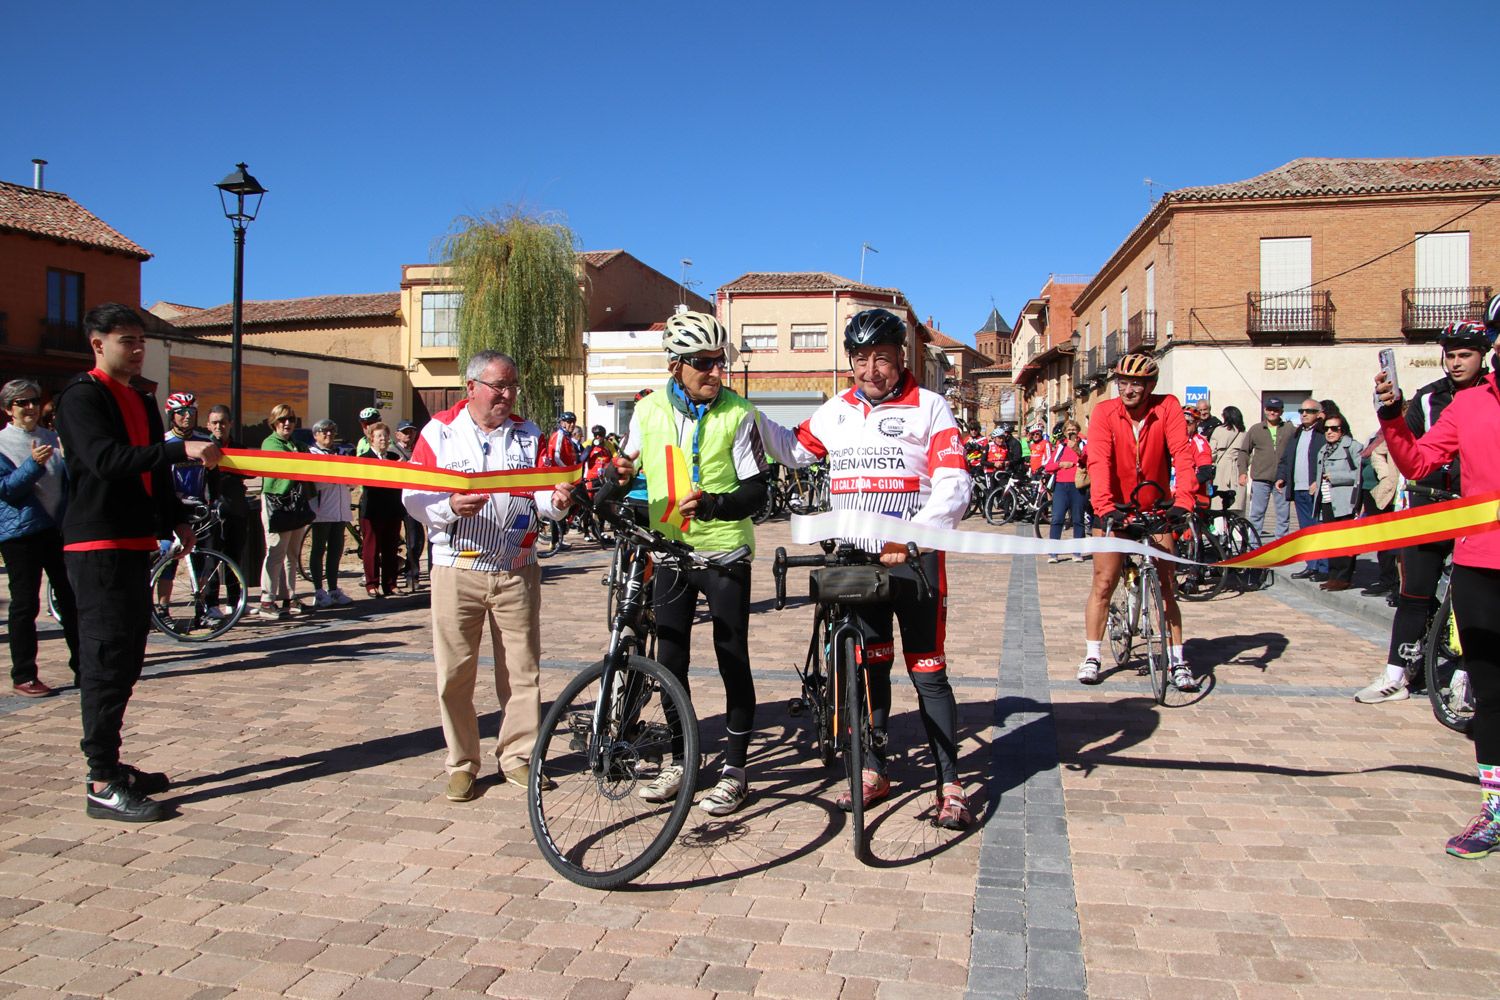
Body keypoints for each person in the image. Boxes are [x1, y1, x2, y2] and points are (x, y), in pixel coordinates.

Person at [758, 307, 973, 829]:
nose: (871, 369)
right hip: (855, 564)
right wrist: (743, 413)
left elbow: (955, 482)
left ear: (901, 357)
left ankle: (950, 782)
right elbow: (792, 449)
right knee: (870, 664)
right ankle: (875, 769)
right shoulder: (836, 410)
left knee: (929, 675)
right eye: (860, 358)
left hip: (913, 563)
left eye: (882, 358)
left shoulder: (930, 407)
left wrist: (912, 533)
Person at [55, 303, 220, 821]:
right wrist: (180, 452)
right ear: (97, 344)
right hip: (96, 544)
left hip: (134, 543)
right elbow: (104, 460)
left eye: (141, 339)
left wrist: (174, 516)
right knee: (104, 663)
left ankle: (112, 763)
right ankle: (100, 780)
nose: (137, 347)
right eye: (126, 340)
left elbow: (151, 468)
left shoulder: (141, 399)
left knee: (126, 660)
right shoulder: (82, 396)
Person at [613, 311, 769, 817]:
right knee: (669, 662)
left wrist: (714, 504)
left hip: (724, 551)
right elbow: (626, 465)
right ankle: (680, 760)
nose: (715, 373)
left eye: (719, 363)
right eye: (704, 364)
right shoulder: (647, 410)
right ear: (676, 365)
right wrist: (611, 479)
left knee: (731, 657)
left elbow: (757, 492)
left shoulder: (739, 414)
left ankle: (736, 770)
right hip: (671, 549)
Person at [403, 350, 568, 801]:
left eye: (512, 385)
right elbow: (413, 496)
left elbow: (541, 497)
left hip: (517, 569)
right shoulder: (439, 432)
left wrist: (557, 502)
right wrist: (448, 507)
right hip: (458, 569)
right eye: (499, 386)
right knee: (455, 673)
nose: (508, 394)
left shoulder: (528, 434)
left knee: (522, 672)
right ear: (472, 386)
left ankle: (518, 757)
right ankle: (461, 762)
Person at [1373, 303, 1500, 859]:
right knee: (1491, 695)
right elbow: (1421, 464)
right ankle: (1494, 810)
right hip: (1480, 563)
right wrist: (1394, 416)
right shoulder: (1470, 404)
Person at [1359, 318, 1490, 704]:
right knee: (1413, 592)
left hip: (1476, 511)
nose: (1456, 363)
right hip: (1428, 505)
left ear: (1483, 357)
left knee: (1473, 600)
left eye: (1465, 355)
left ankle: (1467, 675)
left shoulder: (1491, 397)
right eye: (1450, 356)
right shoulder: (1429, 397)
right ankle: (1396, 674)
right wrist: (1392, 411)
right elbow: (1410, 451)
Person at [1077, 352, 1198, 691]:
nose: (1128, 390)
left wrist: (1183, 500)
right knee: (1104, 582)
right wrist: (1104, 506)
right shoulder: (1104, 412)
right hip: (1113, 507)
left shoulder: (1168, 408)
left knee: (1167, 586)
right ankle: (1092, 655)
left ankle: (1177, 659)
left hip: (1156, 507)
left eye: (1136, 384)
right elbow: (1099, 460)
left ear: (1150, 386)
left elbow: (1183, 456)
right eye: (1123, 383)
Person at [1, 379, 78, 697]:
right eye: (22, 402)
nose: (30, 407)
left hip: (57, 531)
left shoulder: (53, 439)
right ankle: (24, 675)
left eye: (34, 400)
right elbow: (7, 489)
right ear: (8, 409)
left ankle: (85, 669)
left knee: (72, 601)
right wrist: (33, 465)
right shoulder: (2, 443)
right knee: (24, 606)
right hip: (21, 534)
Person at [257, 403, 312, 620]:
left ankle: (289, 596)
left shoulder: (296, 444)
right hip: (277, 503)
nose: (287, 423)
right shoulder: (270, 443)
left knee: (292, 554)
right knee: (275, 551)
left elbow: (307, 460)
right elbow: (293, 466)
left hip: (296, 503)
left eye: (291, 419)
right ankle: (267, 599)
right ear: (274, 422)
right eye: (282, 419)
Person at [1276, 398, 1328, 580]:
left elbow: (1328, 460)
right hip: (1298, 488)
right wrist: (1281, 477)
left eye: (1309, 411)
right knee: (1305, 529)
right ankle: (1311, 564)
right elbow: (1286, 458)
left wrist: (1319, 480)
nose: (1304, 414)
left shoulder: (1323, 433)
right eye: (1301, 411)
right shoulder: (1297, 433)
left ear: (1319, 414)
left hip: (1315, 489)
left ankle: (1323, 567)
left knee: (1318, 528)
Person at [1312, 414, 1361, 592]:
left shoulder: (1353, 447)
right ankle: (1333, 576)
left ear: (1342, 430)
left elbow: (1359, 475)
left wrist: (1337, 477)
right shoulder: (1323, 449)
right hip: (1327, 500)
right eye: (1326, 428)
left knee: (1345, 540)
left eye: (1334, 428)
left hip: (1345, 501)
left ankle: (1343, 577)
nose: (1330, 432)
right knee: (1331, 540)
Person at [308, 419, 354, 607]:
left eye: (332, 432)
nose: (329, 435)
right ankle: (318, 590)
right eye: (324, 432)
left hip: (340, 509)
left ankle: (333, 589)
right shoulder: (311, 454)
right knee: (319, 549)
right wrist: (336, 477)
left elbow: (351, 480)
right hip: (322, 509)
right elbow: (315, 481)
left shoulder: (341, 453)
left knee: (336, 550)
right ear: (316, 435)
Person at [359, 422, 404, 599]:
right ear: (371, 439)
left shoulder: (394, 457)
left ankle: (390, 583)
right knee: (371, 547)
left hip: (392, 508)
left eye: (385, 436)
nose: (383, 439)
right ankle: (372, 584)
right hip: (372, 509)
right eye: (379, 436)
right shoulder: (365, 458)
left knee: (391, 547)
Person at [1242, 398, 1293, 541]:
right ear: (1264, 410)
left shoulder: (1289, 429)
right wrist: (1242, 472)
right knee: (1256, 514)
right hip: (1260, 478)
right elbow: (1244, 451)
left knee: (1283, 514)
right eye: (1270, 409)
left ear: (1281, 411)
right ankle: (1254, 544)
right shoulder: (1256, 429)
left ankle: (1281, 543)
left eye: (1276, 410)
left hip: (1282, 479)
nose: (1272, 412)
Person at [1358, 427, 1400, 598]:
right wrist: (1385, 476)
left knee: (1394, 541)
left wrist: (1387, 477)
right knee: (1382, 540)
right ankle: (1387, 580)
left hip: (1396, 494)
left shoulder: (1403, 434)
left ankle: (1395, 583)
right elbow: (1376, 454)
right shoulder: (1378, 435)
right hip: (1378, 493)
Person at [1044, 420, 1087, 562]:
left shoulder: (1083, 445)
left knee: (1078, 519)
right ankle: (1053, 553)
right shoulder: (1060, 447)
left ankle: (1077, 552)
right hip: (1061, 486)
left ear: (1078, 431)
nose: (1071, 431)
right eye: (1068, 429)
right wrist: (1060, 464)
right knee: (1057, 518)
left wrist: (1077, 451)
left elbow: (1089, 461)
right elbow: (1048, 467)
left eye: (1074, 429)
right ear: (1064, 432)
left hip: (1077, 486)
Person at [394, 420, 426, 590]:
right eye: (405, 432)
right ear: (397, 434)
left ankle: (412, 574)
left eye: (411, 431)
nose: (408, 435)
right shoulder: (392, 451)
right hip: (394, 500)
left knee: (416, 540)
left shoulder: (418, 451)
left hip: (413, 500)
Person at [1209, 406, 1248, 514]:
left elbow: (1211, 453)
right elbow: (1249, 455)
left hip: (1221, 469)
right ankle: (1237, 529)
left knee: (1219, 506)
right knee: (1237, 506)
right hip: (1238, 469)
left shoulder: (1219, 430)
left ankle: (1220, 530)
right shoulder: (1244, 433)